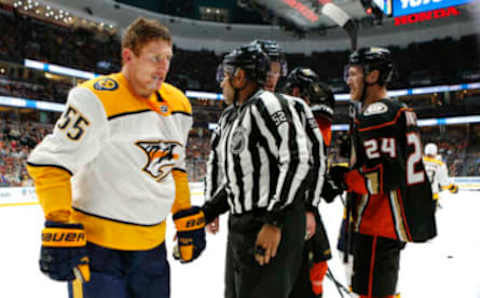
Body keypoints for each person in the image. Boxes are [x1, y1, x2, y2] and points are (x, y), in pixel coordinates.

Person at [26, 17, 206, 298]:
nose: (163, 67)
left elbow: (175, 166)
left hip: (152, 253)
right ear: (128, 56)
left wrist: (183, 214)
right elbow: (51, 162)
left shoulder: (179, 104)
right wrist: (58, 222)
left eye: (168, 58)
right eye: (154, 58)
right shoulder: (94, 98)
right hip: (100, 253)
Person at [201, 43, 311, 298]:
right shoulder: (238, 114)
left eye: (225, 77)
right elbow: (242, 179)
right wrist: (208, 211)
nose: (221, 84)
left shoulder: (268, 105)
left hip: (265, 224)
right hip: (243, 227)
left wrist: (274, 222)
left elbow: (297, 160)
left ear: (239, 77)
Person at [330, 47, 436, 298]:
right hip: (392, 222)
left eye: (353, 73)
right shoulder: (399, 110)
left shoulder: (377, 114)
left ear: (373, 76)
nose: (347, 80)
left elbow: (382, 177)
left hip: (377, 221)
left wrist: (343, 177)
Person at [283, 67, 341, 298]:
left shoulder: (313, 118)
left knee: (317, 265)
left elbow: (315, 158)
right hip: (288, 209)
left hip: (305, 206)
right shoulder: (284, 116)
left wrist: (326, 181)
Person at [423, 142, 459, 211]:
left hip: (416, 195)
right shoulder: (440, 164)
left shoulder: (418, 162)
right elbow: (444, 183)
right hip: (432, 197)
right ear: (435, 152)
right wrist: (453, 188)